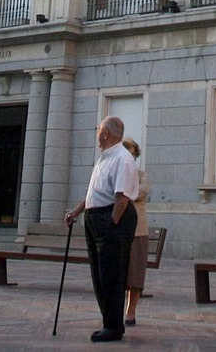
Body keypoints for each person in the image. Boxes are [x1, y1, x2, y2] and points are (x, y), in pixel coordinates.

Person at [65, 116, 140, 343]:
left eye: (99, 129)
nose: (97, 133)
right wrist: (77, 211)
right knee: (99, 274)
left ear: (106, 133)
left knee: (112, 273)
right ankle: (108, 321)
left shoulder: (122, 159)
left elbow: (121, 197)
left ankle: (114, 327)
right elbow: (95, 192)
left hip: (111, 219)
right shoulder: (104, 158)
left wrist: (111, 223)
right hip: (96, 217)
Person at [121, 138, 150, 326]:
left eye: (133, 155)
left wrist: (123, 193)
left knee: (136, 273)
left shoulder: (141, 175)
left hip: (138, 231)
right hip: (117, 230)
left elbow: (142, 191)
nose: (130, 158)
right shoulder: (114, 173)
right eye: (127, 154)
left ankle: (131, 311)